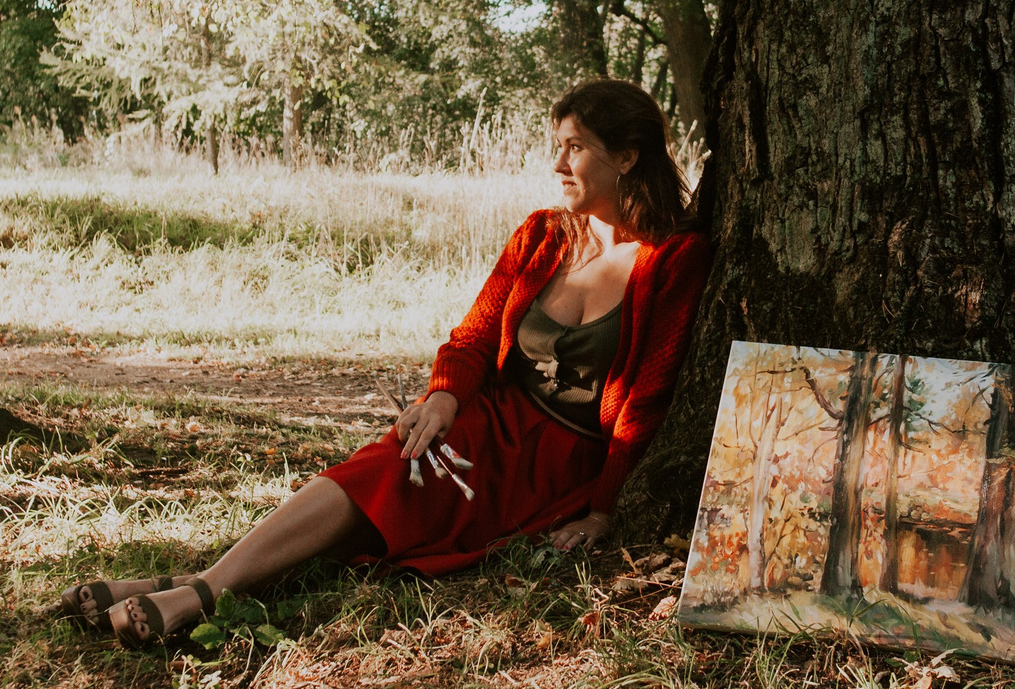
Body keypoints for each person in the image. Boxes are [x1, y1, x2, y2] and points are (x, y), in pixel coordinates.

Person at [59, 78, 714, 648]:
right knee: (383, 471)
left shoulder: (673, 260)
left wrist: (603, 509)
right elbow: (473, 338)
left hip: (552, 465)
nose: (558, 163)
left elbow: (645, 401)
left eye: (575, 147)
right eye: (557, 145)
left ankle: (195, 589)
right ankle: (196, 588)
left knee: (382, 517)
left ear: (627, 156)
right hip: (485, 422)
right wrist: (443, 397)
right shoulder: (542, 234)